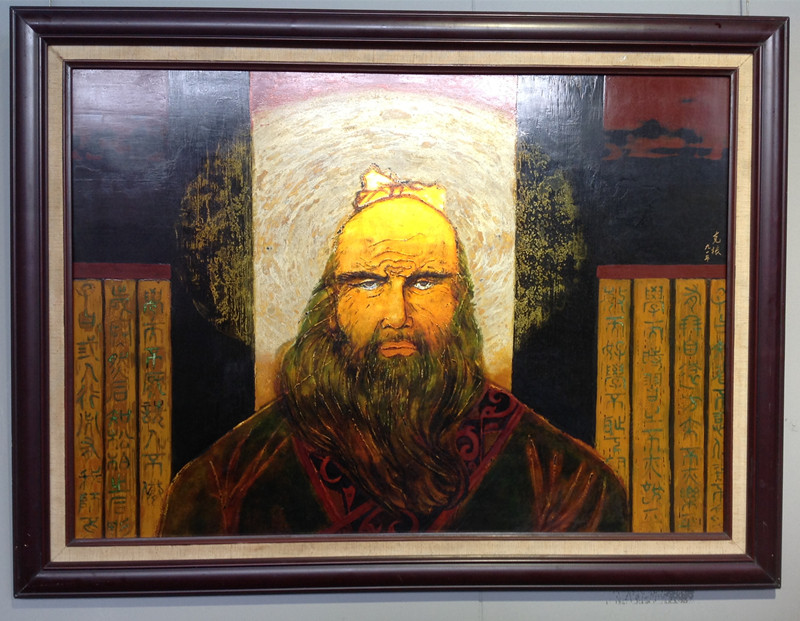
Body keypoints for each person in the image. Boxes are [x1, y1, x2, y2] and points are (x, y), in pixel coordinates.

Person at [159, 166, 629, 535]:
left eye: (424, 282)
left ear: (460, 301)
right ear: (331, 306)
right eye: (367, 283)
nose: (396, 315)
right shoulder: (224, 483)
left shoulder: (567, 481)